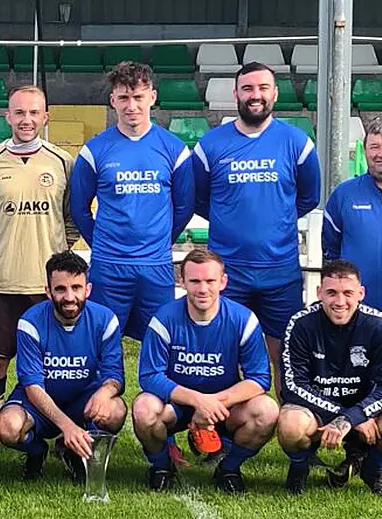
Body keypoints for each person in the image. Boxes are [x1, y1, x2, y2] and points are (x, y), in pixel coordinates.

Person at [192, 62, 321, 393]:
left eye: (263, 88)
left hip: (279, 271)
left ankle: (289, 422)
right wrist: (231, 220)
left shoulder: (297, 142)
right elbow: (200, 199)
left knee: (284, 353)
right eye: (248, 89)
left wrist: (274, 220)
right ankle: (224, 425)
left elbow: (308, 197)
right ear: (236, 93)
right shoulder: (210, 145)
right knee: (224, 352)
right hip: (229, 272)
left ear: (275, 94)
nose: (255, 96)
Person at [133, 248, 278, 493]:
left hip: (224, 409)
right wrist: (198, 401)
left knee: (267, 410)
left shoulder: (243, 319)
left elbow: (260, 379)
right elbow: (149, 376)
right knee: (144, 408)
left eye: (210, 281)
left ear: (223, 281)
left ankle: (229, 467)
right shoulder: (164, 319)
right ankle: (161, 466)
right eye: (195, 281)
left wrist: (213, 404)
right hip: (177, 406)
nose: (203, 289)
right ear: (182, 281)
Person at [69, 61, 194, 341]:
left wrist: (160, 240)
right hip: (108, 266)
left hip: (156, 266)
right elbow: (79, 207)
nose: (131, 106)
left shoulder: (174, 149)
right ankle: (104, 387)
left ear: (152, 96)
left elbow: (185, 206)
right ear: (113, 100)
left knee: (161, 341)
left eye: (138, 97)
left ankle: (153, 388)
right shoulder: (95, 150)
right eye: (124, 97)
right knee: (102, 341)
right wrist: (103, 243)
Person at [0, 85, 79, 414]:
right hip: (1, 281)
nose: (26, 119)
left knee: (53, 361)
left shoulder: (64, 162)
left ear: (45, 117)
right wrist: (3, 247)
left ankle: (46, 424)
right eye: (19, 112)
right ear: (8, 116)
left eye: (34, 112)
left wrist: (54, 249)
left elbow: (71, 217)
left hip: (47, 286)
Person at [0, 251, 126, 481]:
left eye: (76, 288)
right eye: (60, 289)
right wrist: (67, 426)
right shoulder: (30, 322)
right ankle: (37, 451)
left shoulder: (106, 319)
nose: (69, 297)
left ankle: (74, 452)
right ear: (48, 291)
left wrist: (105, 392)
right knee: (7, 427)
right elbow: (33, 387)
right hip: (40, 403)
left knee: (115, 410)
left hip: (83, 402)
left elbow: (114, 374)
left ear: (87, 289)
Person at [278, 259, 382, 495]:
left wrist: (355, 416)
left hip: (364, 409)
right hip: (319, 411)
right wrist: (344, 418)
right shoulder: (301, 324)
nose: (340, 302)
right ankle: (299, 468)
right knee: (290, 425)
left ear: (361, 293)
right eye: (332, 293)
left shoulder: (377, 326)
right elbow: (293, 387)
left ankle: (373, 468)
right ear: (319, 292)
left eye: (348, 293)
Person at [323, 117, 382, 311]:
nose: (379, 154)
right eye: (374, 147)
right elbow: (331, 249)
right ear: (364, 151)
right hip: (357, 312)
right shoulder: (345, 195)